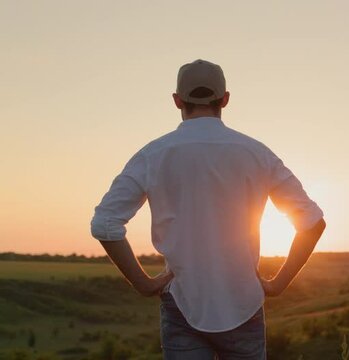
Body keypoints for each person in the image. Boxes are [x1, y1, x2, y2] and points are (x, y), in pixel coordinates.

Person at [90, 59, 326, 359]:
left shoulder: (153, 154)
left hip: (182, 303)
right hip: (244, 303)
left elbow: (105, 224)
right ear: (225, 99)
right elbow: (312, 222)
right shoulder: (256, 153)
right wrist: (278, 283)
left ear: (177, 101)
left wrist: (143, 284)